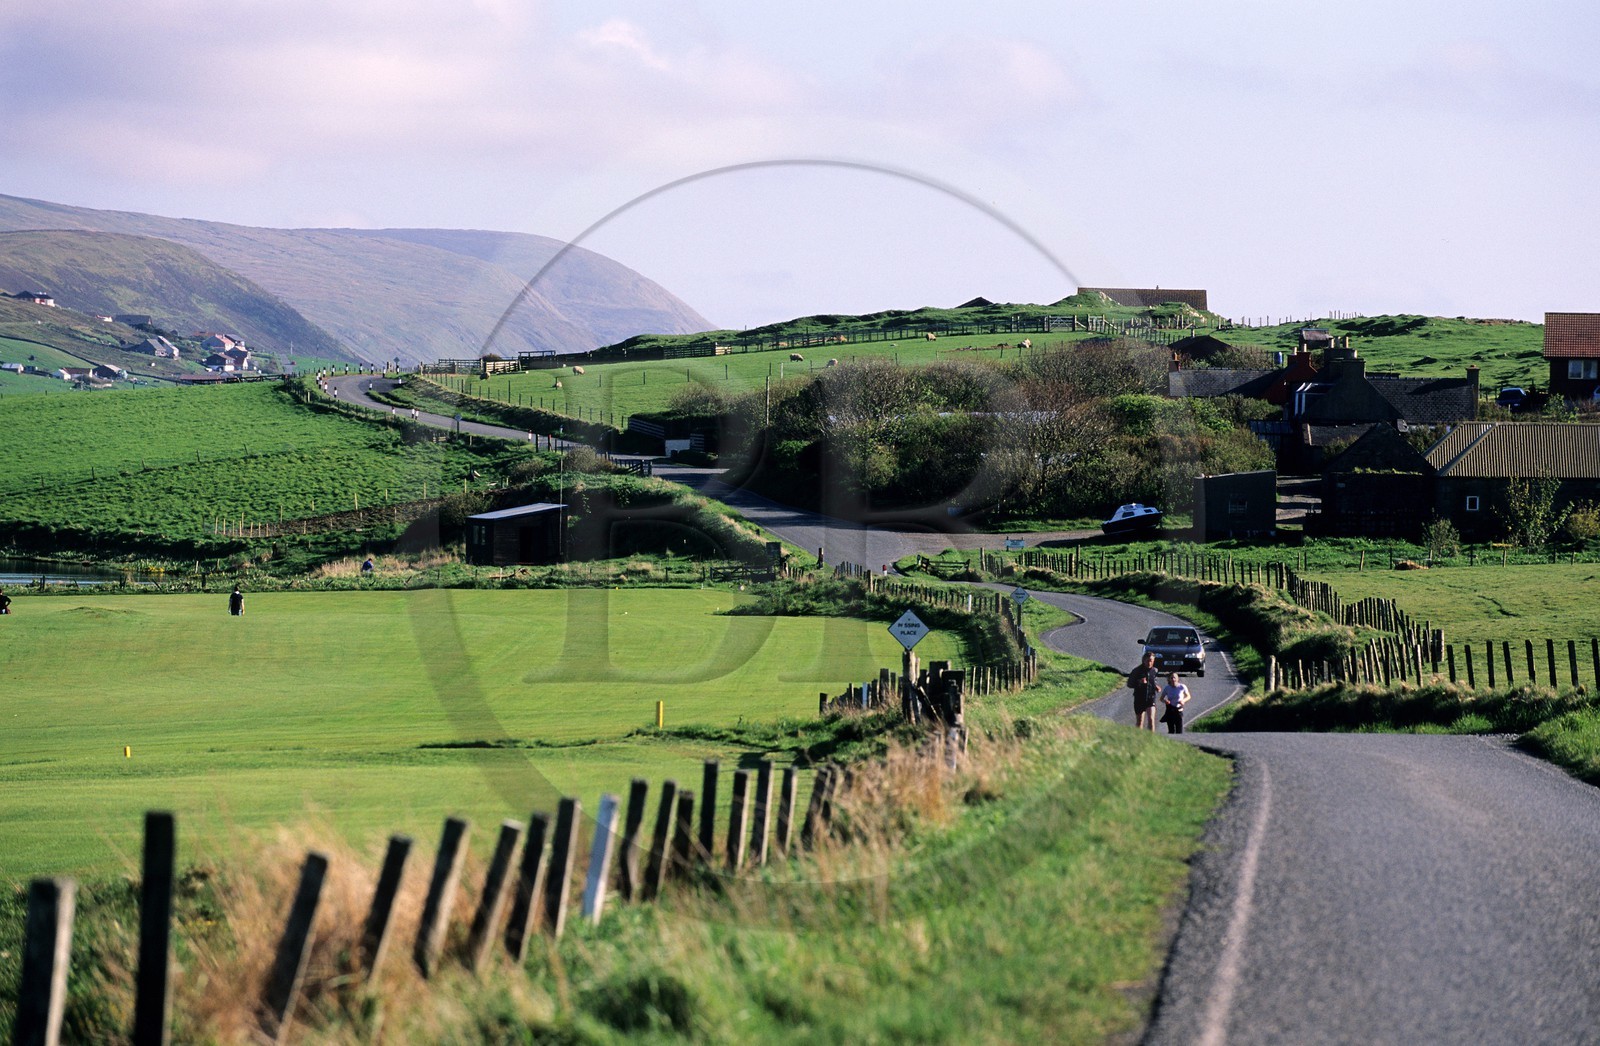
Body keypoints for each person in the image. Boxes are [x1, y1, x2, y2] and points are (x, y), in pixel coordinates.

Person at [1127, 651, 1160, 731]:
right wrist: (1139, 682)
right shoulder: (1136, 671)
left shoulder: (1154, 670)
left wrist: (1156, 687)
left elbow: (1153, 682)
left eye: (1151, 661)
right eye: (1148, 661)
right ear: (1143, 660)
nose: (1149, 663)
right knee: (1140, 721)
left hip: (1150, 698)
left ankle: (1151, 740)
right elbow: (1129, 684)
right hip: (1139, 698)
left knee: (1151, 719)